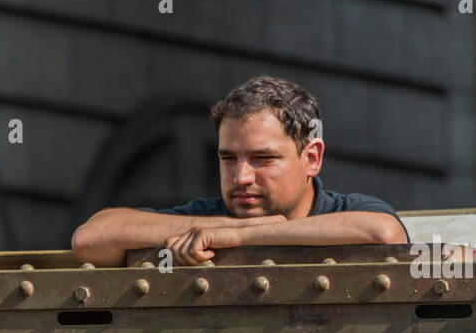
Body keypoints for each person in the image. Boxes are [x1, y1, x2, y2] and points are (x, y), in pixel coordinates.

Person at [72, 75, 409, 267]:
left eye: (263, 159)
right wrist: (225, 226)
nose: (241, 177)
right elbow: (91, 238)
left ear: (312, 158)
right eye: (228, 158)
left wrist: (241, 235)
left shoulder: (348, 211)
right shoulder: (208, 218)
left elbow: (384, 234)